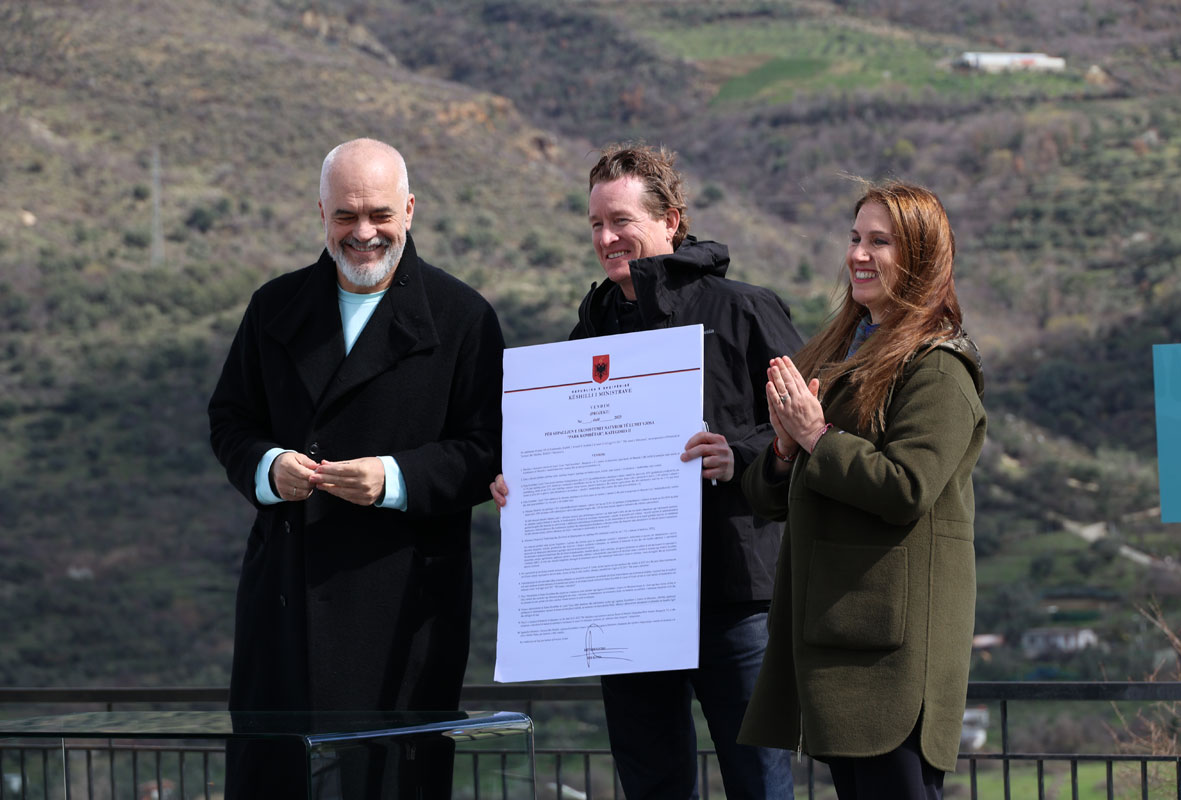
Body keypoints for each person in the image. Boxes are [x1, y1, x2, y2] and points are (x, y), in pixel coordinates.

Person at [491, 143, 800, 800]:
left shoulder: (744, 310)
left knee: (760, 785)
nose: (607, 238)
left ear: (671, 221)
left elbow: (812, 427)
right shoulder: (590, 331)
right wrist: (526, 486)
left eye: (622, 221)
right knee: (652, 786)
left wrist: (738, 454)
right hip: (626, 602)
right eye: (596, 225)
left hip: (735, 597)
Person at [208, 138, 503, 799]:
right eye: (346, 216)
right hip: (282, 606)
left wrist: (393, 480)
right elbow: (229, 420)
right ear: (321, 213)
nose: (363, 233)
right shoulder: (273, 308)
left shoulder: (463, 320)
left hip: (403, 612)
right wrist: (268, 466)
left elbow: (489, 448)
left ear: (410, 210)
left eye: (378, 214)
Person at [736, 182, 986, 800]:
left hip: (892, 659)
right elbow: (771, 500)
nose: (859, 255)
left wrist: (817, 438)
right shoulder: (838, 352)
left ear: (921, 258)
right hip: (840, 645)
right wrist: (786, 449)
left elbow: (906, 487)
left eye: (880, 242)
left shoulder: (938, 368)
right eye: (855, 238)